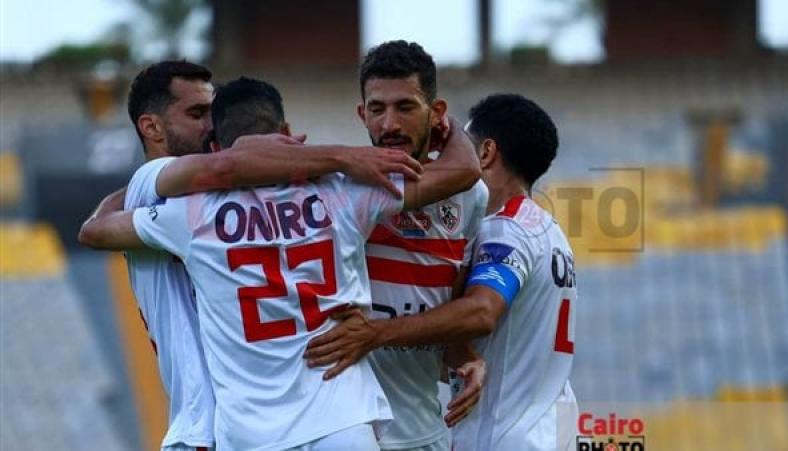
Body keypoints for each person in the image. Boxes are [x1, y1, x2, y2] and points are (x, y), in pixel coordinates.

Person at [79, 76, 480, 450]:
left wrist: (135, 189)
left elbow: (96, 231)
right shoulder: (345, 192)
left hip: (253, 434)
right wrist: (449, 126)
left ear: (215, 148)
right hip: (343, 423)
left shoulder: (189, 214)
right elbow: (461, 171)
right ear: (288, 132)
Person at [305, 94, 579, 451]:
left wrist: (375, 334)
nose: (445, 161)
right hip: (552, 428)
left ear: (485, 153)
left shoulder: (504, 231)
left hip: (504, 435)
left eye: (462, 148)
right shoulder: (550, 231)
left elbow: (481, 312)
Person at [354, 40, 489, 451]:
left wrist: (466, 359)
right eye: (377, 109)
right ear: (362, 114)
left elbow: (443, 312)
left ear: (436, 112)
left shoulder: (471, 198)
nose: (389, 124)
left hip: (424, 433)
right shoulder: (343, 190)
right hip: (349, 434)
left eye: (405, 107)